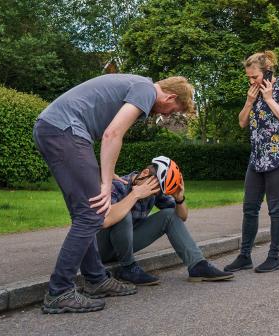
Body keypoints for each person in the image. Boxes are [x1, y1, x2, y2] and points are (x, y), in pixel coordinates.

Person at [33, 74, 194, 314]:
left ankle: (96, 279)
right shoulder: (146, 90)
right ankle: (60, 291)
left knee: (85, 214)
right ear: (170, 96)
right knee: (91, 215)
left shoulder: (137, 85)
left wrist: (107, 172)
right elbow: (112, 134)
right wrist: (106, 183)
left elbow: (106, 130)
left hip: (58, 130)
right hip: (65, 131)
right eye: (172, 110)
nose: (166, 115)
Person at [96, 156, 234, 285]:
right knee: (122, 212)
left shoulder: (154, 192)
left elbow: (181, 218)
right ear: (144, 173)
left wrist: (179, 199)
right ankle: (128, 268)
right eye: (154, 189)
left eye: (158, 191)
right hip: (98, 248)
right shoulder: (115, 186)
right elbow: (105, 220)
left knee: (169, 214)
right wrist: (135, 195)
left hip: (123, 245)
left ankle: (198, 265)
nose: (154, 193)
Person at [224, 50, 279, 273]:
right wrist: (249, 101)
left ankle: (274, 257)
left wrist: (268, 99)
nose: (251, 81)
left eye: (254, 76)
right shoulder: (254, 92)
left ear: (267, 72)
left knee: (275, 208)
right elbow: (241, 122)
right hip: (257, 157)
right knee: (249, 208)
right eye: (248, 77)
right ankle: (244, 256)